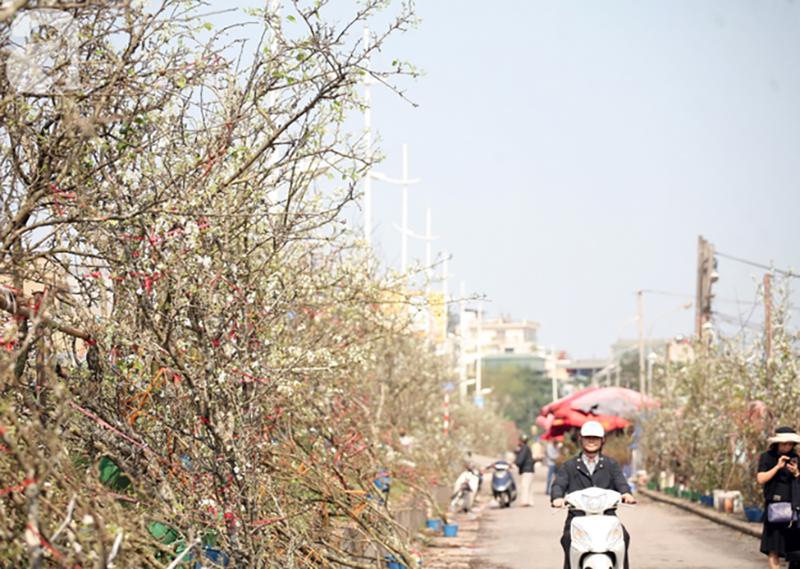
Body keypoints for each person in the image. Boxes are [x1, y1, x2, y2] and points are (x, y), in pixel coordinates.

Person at [551, 421, 635, 569]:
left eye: (595, 438)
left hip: (606, 517)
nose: (591, 441)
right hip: (577, 518)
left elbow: (620, 482)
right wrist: (557, 497)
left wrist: (626, 493)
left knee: (624, 536)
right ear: (580, 439)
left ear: (602, 440)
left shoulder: (611, 465)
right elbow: (559, 484)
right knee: (568, 539)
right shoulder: (570, 465)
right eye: (587, 437)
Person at [757, 426, 800, 569]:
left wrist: (796, 474)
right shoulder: (767, 457)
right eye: (784, 443)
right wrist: (777, 467)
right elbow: (761, 479)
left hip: (794, 509)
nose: (787, 447)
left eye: (790, 444)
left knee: (794, 549)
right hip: (775, 508)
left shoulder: (797, 459)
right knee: (773, 547)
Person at [514, 433, 535, 507]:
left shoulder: (524, 448)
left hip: (526, 470)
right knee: (529, 486)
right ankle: (530, 501)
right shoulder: (526, 447)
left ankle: (524, 501)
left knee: (525, 485)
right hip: (530, 469)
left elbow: (520, 459)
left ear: (521, 441)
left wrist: (515, 464)